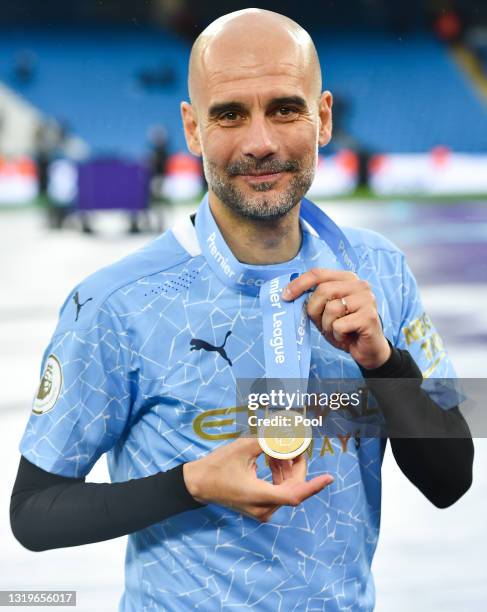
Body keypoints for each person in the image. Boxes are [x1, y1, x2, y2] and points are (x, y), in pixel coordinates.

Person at [11, 9, 473, 611]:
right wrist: (191, 484)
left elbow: (452, 479)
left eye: (285, 108)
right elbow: (34, 514)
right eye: (230, 114)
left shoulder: (380, 271)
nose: (261, 142)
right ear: (193, 128)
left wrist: (384, 364)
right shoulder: (114, 305)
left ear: (324, 117)